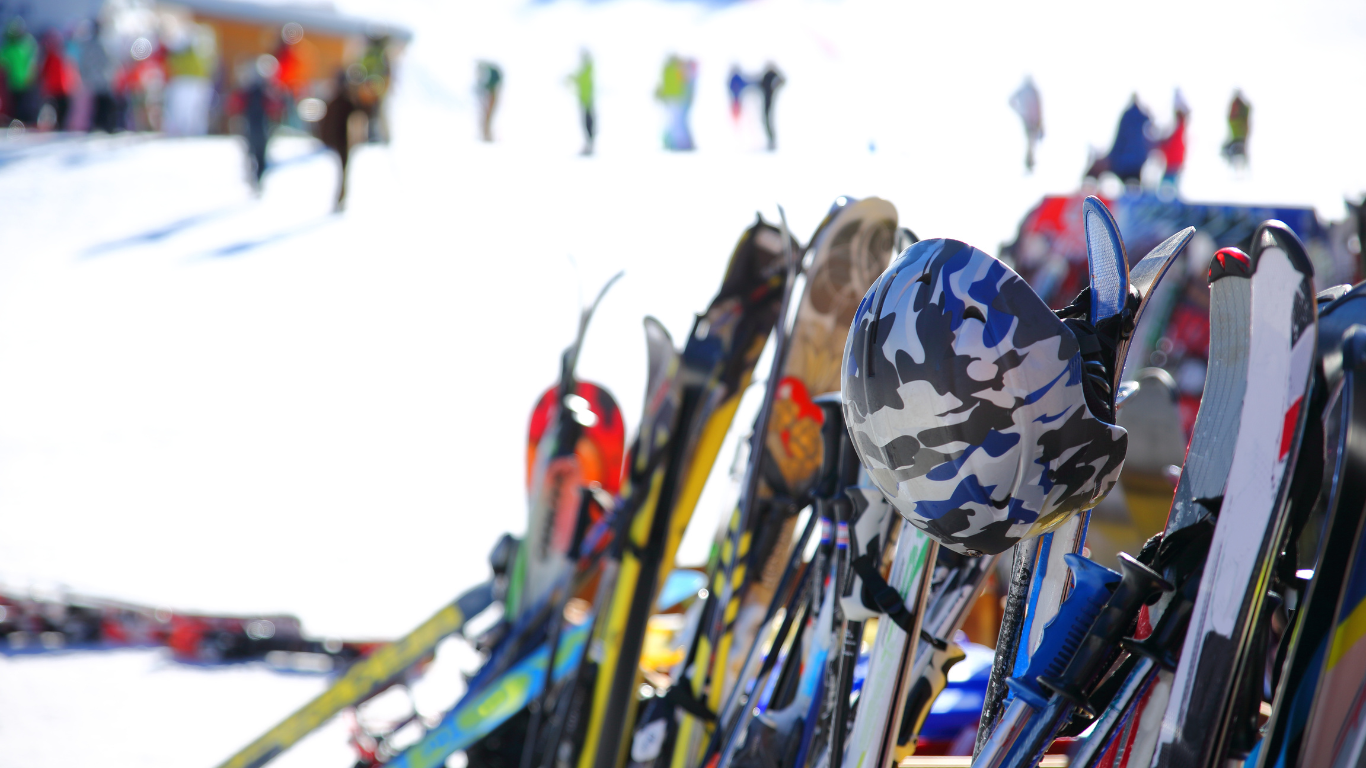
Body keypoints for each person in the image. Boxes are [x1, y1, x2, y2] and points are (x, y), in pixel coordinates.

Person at [320, 71, 357, 210]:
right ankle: (340, 199)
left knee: (341, 171)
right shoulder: (344, 101)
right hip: (341, 142)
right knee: (342, 171)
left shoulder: (336, 100)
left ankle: (340, 199)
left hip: (338, 142)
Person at [1104, 94, 1153, 185]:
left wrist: (1112, 158)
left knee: (1127, 189)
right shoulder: (1141, 117)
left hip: (1124, 163)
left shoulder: (1127, 116)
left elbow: (1119, 140)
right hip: (1136, 161)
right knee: (1135, 189)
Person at [77, 21, 117, 133]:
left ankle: (97, 125)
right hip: (103, 80)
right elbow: (110, 61)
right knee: (103, 104)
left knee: (97, 104)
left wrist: (85, 76)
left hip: (95, 80)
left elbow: (83, 63)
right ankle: (105, 125)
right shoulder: (103, 44)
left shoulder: (89, 45)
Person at [0, 18, 39, 125]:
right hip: (13, 80)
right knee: (15, 103)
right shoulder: (8, 47)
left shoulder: (26, 44)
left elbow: (33, 60)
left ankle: (28, 122)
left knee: (27, 103)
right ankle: (17, 122)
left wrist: (30, 74)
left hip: (27, 80)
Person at [655, 54, 696, 151]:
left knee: (674, 121)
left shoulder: (667, 68)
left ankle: (677, 143)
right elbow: (682, 80)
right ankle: (679, 143)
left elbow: (664, 84)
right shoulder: (675, 68)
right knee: (677, 122)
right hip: (676, 97)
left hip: (672, 98)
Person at [38, 29, 76, 129]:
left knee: (63, 107)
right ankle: (53, 125)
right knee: (53, 108)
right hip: (53, 89)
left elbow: (68, 72)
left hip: (62, 88)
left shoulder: (63, 56)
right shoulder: (50, 57)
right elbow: (43, 72)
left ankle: (61, 125)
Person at [1009, 75, 1043, 172]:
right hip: (1029, 121)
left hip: (1033, 121)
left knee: (1031, 142)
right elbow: (1011, 100)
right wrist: (1021, 112)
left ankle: (1030, 163)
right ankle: (1029, 163)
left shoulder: (1033, 91)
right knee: (1030, 142)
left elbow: (1039, 108)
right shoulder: (1027, 90)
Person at [1157, 89, 1189, 188]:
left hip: (1174, 162)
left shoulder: (1179, 127)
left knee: (1168, 184)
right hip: (1173, 161)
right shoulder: (1176, 127)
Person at [567, 50, 594, 155]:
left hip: (588, 101)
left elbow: (581, 79)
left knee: (588, 124)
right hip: (584, 101)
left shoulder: (588, 69)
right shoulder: (585, 69)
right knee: (585, 124)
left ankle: (589, 146)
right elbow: (577, 78)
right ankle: (588, 145)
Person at [758, 63, 784, 151]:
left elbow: (783, 80)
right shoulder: (766, 75)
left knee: (769, 120)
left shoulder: (772, 75)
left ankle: (772, 141)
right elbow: (761, 84)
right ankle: (770, 141)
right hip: (765, 99)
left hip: (771, 99)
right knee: (765, 120)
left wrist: (775, 86)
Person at [1223, 89, 1250, 166]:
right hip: (1236, 139)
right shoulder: (1240, 113)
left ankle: (1233, 165)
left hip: (1238, 139)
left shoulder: (1239, 116)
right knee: (1226, 150)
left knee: (1228, 150)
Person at [476, 60, 501, 142]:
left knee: (487, 118)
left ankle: (487, 137)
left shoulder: (490, 76)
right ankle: (487, 137)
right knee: (486, 118)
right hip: (490, 96)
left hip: (491, 96)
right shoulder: (489, 76)